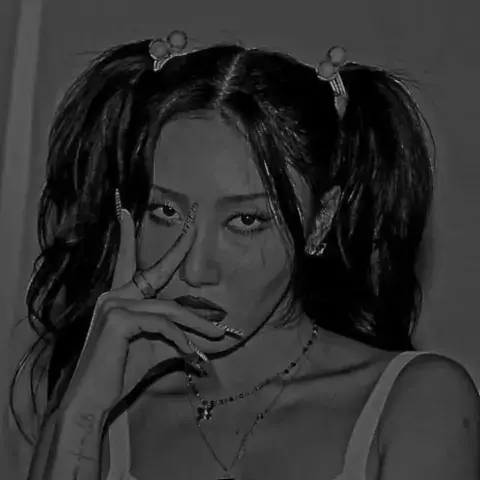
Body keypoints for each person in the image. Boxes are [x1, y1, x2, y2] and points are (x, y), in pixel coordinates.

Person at [9, 30, 480, 480]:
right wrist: (83, 409)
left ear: (321, 220)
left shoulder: (416, 401)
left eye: (246, 220)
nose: (196, 269)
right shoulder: (96, 408)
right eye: (166, 212)